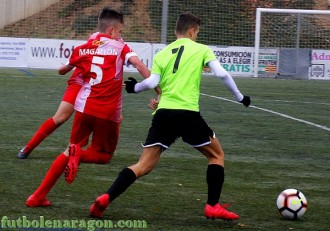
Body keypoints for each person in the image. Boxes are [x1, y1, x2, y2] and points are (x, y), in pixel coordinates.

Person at [89, 12, 251, 220]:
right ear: (192, 31)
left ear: (177, 31)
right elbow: (222, 74)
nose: (197, 36)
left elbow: (149, 83)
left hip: (163, 113)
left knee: (142, 166)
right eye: (197, 32)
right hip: (187, 114)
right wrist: (239, 97)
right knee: (216, 155)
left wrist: (134, 88)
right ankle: (212, 205)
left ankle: (105, 198)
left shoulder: (162, 54)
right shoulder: (201, 49)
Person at [26, 7, 152, 207]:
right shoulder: (121, 47)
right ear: (112, 30)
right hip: (107, 112)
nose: (121, 35)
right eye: (120, 31)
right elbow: (139, 65)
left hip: (83, 107)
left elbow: (62, 70)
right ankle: (80, 155)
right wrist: (158, 89)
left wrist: (74, 65)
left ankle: (37, 196)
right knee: (104, 156)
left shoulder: (83, 48)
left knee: (69, 150)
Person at [17, 32, 99, 159]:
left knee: (109, 118)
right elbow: (62, 70)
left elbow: (62, 70)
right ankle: (29, 147)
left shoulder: (105, 49)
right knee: (61, 118)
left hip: (95, 88)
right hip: (79, 84)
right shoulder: (89, 50)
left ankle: (95, 151)